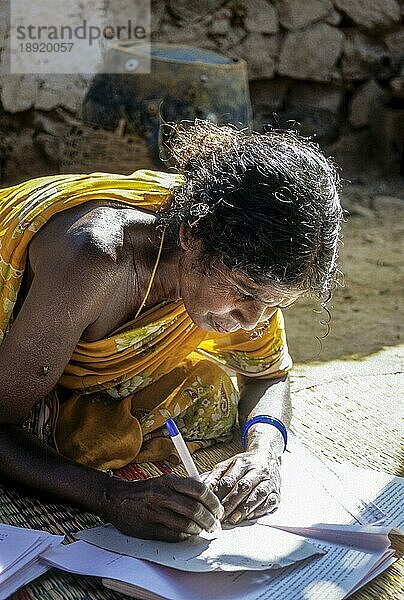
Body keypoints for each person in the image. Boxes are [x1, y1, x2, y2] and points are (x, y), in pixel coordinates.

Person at [0, 120, 342, 542]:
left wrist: (264, 454)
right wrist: (112, 497)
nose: (254, 320)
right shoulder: (95, 257)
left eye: (277, 304)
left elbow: (268, 374)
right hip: (16, 358)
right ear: (190, 237)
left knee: (213, 395)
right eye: (244, 293)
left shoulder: (242, 257)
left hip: (50, 356)